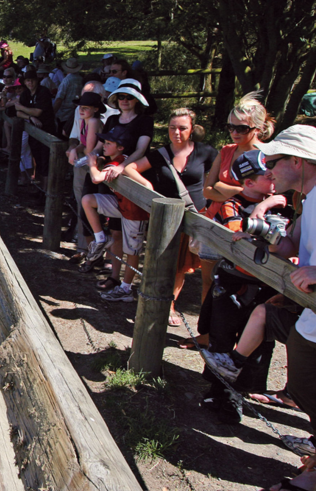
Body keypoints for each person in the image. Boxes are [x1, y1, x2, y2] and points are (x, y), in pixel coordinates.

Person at [260, 125, 316, 491]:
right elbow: (295, 244)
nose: (267, 171)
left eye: (273, 161)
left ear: (297, 160)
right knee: (305, 388)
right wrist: (264, 238)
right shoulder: (308, 198)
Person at [195, 150, 290, 424]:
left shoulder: (283, 204)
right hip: (233, 281)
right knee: (222, 338)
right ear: (248, 182)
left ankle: (238, 394)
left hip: (266, 285)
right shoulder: (232, 204)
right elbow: (238, 237)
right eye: (266, 176)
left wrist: (270, 204)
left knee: (257, 346)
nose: (273, 179)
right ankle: (217, 390)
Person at [187, 92, 277, 349]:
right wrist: (240, 191)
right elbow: (207, 189)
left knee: (243, 286)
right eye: (230, 127)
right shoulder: (226, 151)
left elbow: (267, 193)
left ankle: (238, 341)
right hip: (216, 223)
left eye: (241, 128)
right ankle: (205, 334)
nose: (234, 133)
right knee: (209, 281)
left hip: (247, 229)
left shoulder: (267, 157)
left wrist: (227, 190)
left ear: (258, 128)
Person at [122, 108, 217, 326]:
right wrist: (147, 184)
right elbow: (131, 168)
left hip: (195, 217)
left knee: (182, 266)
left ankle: (172, 304)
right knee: (163, 260)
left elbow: (215, 178)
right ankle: (160, 304)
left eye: (182, 128)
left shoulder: (206, 153)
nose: (177, 132)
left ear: (192, 129)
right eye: (172, 128)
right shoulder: (161, 154)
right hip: (167, 218)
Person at [78, 128, 151, 302]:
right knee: (87, 200)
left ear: (120, 148)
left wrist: (92, 162)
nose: (104, 146)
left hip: (134, 213)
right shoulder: (115, 160)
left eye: (109, 143)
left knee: (132, 251)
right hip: (121, 206)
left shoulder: (118, 163)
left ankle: (126, 288)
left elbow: (96, 178)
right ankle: (100, 237)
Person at [67, 82, 119, 262]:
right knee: (84, 207)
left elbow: (90, 148)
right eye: (81, 107)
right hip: (87, 164)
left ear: (96, 109)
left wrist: (80, 153)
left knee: (87, 207)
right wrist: (75, 149)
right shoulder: (85, 120)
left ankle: (93, 250)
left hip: (92, 168)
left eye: (86, 107)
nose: (81, 110)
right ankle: (89, 249)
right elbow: (83, 144)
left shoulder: (94, 122)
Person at [7, 67, 56, 192]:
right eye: (28, 81)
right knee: (37, 159)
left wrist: (22, 108)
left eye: (32, 80)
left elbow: (38, 112)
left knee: (46, 162)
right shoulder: (25, 94)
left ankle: (46, 191)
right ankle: (39, 188)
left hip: (47, 131)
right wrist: (30, 117)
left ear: (36, 80)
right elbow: (16, 112)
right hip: (34, 132)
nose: (30, 83)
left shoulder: (43, 92)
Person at [53, 58, 84, 136]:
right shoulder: (81, 79)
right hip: (77, 112)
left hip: (64, 114)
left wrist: (53, 112)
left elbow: (59, 99)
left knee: (61, 136)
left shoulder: (66, 81)